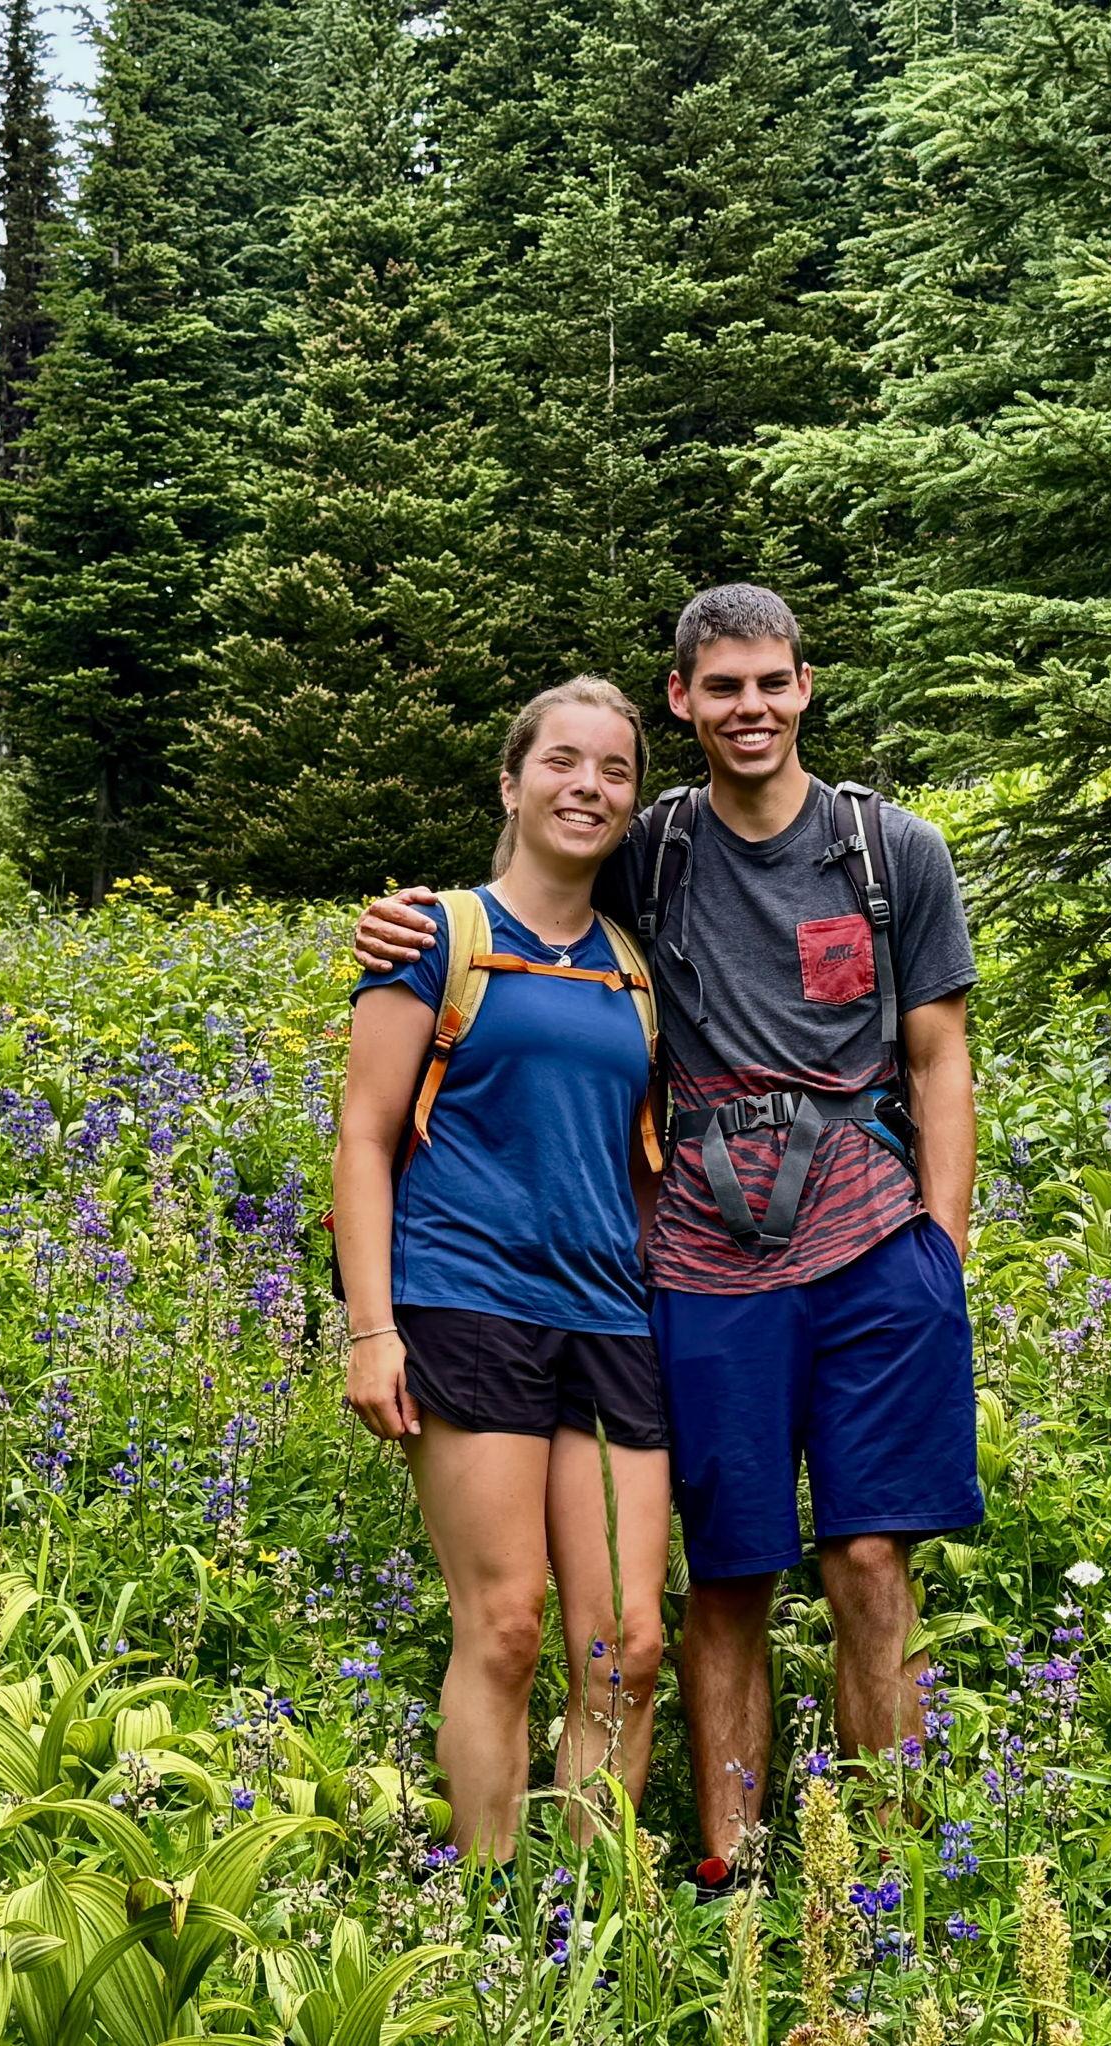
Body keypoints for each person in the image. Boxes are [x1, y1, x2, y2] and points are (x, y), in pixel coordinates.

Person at [356, 585, 983, 1885]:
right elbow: (538, 873)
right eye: (722, 688)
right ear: (687, 698)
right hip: (700, 1271)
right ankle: (729, 1868)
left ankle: (898, 1882)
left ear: (807, 687)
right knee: (727, 1575)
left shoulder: (891, 851)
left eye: (774, 683)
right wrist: (400, 922)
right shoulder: (658, 846)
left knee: (869, 1562)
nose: (751, 708)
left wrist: (943, 1247)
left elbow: (942, 1053)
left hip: (869, 1255)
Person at [334, 675, 671, 1863]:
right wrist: (368, 1328)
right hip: (466, 1303)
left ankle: (585, 1920)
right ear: (512, 781)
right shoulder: (436, 937)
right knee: (506, 1628)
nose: (587, 787)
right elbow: (364, 1142)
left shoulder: (638, 966)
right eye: (563, 763)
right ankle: (489, 1908)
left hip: (610, 1321)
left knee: (624, 1644)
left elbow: (636, 1162)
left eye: (614, 770)